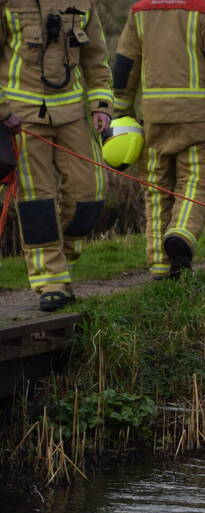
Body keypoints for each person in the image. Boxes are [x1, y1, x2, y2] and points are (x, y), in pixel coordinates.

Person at [111, 0, 205, 280]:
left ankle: (160, 265)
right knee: (197, 182)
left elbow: (125, 63)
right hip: (195, 118)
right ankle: (181, 234)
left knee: (156, 190)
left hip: (153, 117)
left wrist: (121, 110)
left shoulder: (140, 12)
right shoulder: (204, 10)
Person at [0, 0, 113, 311]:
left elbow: (96, 58)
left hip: (73, 114)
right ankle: (51, 279)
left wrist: (101, 106)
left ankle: (61, 259)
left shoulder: (83, 3)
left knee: (91, 193)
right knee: (37, 201)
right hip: (20, 118)